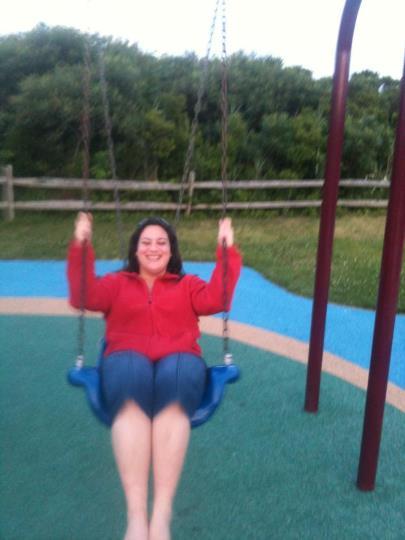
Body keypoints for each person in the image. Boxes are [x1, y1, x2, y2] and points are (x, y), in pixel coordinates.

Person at [67, 213, 242, 540]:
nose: (153, 248)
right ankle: (136, 515)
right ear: (135, 250)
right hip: (125, 358)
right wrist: (82, 244)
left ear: (171, 250)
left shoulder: (187, 285)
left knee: (176, 378)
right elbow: (83, 296)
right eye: (146, 242)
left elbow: (217, 298)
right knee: (129, 375)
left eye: (161, 242)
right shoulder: (116, 284)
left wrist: (226, 250)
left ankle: (161, 514)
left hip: (181, 360)